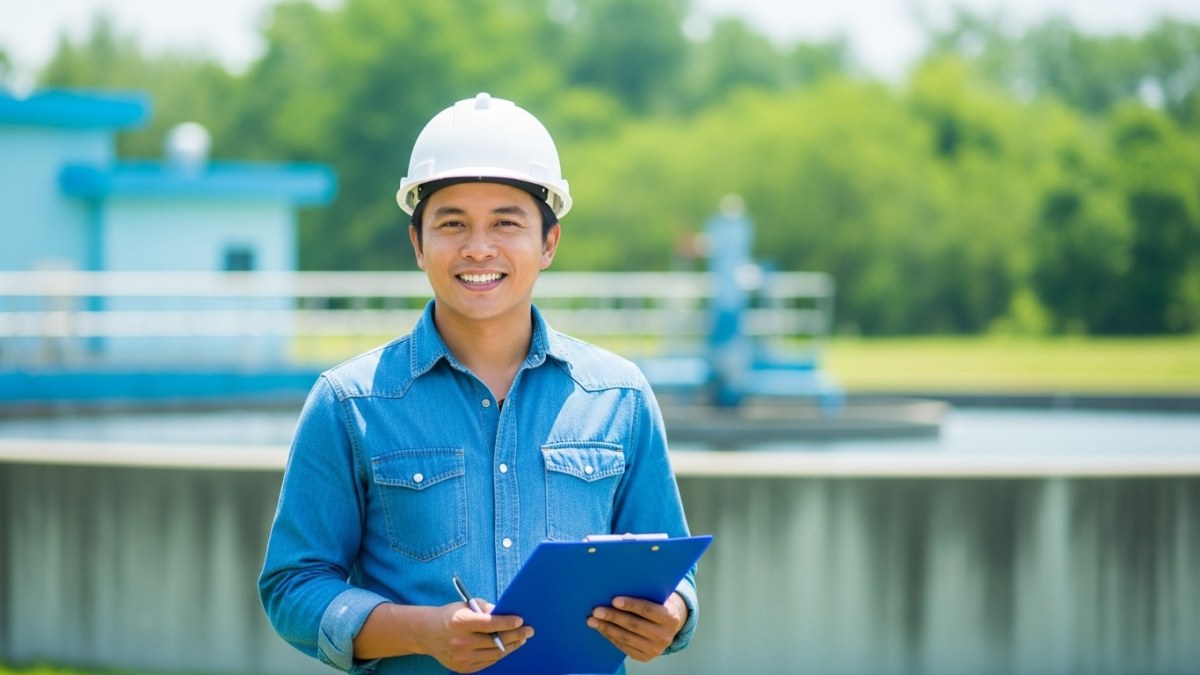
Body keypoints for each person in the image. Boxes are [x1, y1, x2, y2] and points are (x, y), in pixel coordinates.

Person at [259, 92, 699, 674]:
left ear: (548, 243)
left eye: (506, 223)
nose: (479, 248)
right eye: (452, 224)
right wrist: (422, 632)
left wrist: (672, 615)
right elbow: (293, 585)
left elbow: (671, 570)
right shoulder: (350, 403)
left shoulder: (620, 396)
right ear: (418, 244)